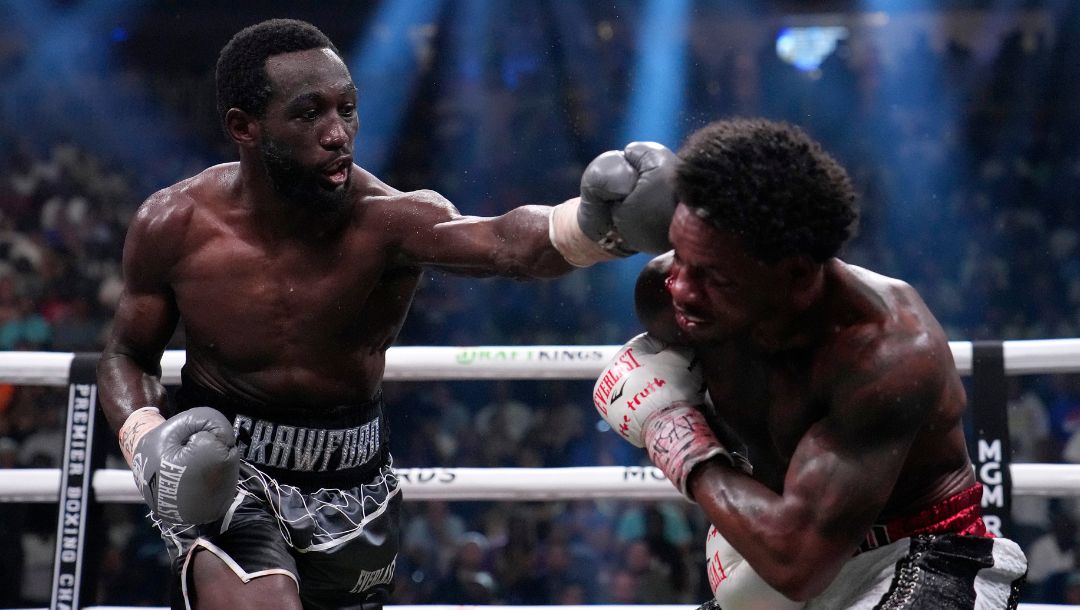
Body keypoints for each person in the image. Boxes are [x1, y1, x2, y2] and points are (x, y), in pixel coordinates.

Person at [97, 18, 676, 610]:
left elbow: (504, 244)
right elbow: (125, 353)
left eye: (346, 109)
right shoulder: (174, 224)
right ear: (244, 127)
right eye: (308, 114)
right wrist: (146, 441)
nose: (337, 134)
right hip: (225, 474)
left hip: (352, 484)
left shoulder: (389, 219)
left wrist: (590, 226)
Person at [593, 118, 1028, 609]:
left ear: (796, 276)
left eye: (715, 276)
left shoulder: (888, 354)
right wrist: (574, 230)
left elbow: (794, 562)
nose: (684, 289)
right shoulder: (671, 293)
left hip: (921, 554)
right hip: (786, 557)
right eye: (680, 259)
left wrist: (672, 431)